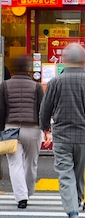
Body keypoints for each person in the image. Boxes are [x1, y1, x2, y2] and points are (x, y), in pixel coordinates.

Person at [39, 43, 85, 218]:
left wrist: (45, 127)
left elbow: (45, 108)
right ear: (83, 60)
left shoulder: (55, 82)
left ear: (65, 60)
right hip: (84, 136)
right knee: (80, 170)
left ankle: (72, 209)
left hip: (61, 136)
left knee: (65, 172)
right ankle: (77, 200)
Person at [0, 56, 46, 209]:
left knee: (15, 165)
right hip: (32, 129)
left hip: (11, 129)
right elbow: (42, 109)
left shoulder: (4, 86)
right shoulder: (36, 86)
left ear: (13, 69)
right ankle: (28, 191)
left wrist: (1, 129)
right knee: (31, 163)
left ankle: (21, 197)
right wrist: (45, 128)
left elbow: (1, 110)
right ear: (28, 68)